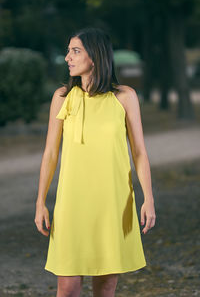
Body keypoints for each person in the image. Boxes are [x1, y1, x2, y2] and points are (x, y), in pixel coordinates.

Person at [34, 27, 156, 297]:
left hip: (111, 201)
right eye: (68, 51)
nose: (68, 57)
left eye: (75, 51)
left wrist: (148, 198)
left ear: (96, 57)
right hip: (71, 202)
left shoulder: (124, 97)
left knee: (105, 286)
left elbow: (139, 152)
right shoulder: (62, 97)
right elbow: (50, 154)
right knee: (67, 286)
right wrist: (40, 201)